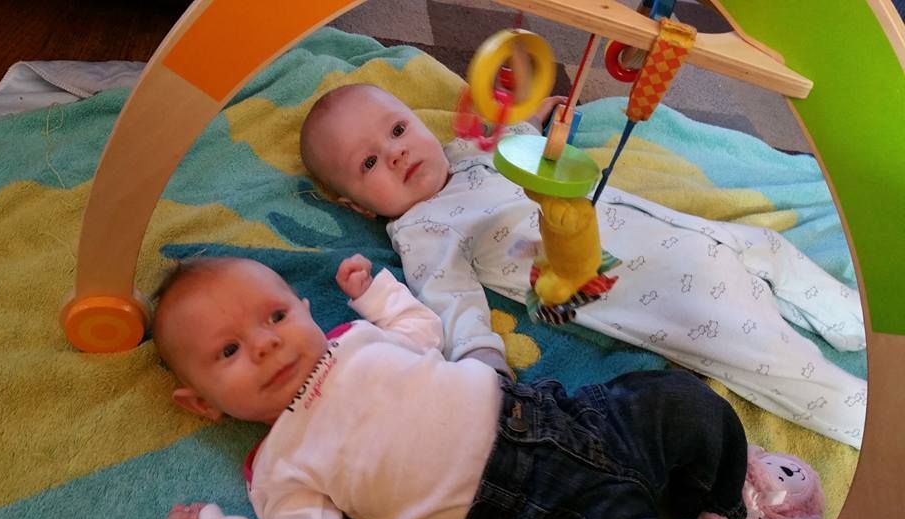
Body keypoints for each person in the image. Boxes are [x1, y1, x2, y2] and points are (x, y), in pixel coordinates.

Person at [299, 83, 868, 448]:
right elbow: (448, 298)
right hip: (641, 286)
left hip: (676, 229)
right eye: (370, 161)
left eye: (398, 130)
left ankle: (860, 324)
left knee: (768, 248)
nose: (396, 152)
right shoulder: (422, 229)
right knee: (771, 358)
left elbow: (522, 141)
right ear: (356, 204)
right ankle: (867, 417)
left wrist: (538, 116)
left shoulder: (470, 153)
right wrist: (482, 366)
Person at [154, 254, 749, 519]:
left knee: (680, 400)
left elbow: (423, 334)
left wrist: (375, 297)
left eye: (276, 315)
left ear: (307, 310)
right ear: (201, 403)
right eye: (228, 352)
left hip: (560, 418)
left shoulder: (351, 340)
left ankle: (728, 503)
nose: (264, 345)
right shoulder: (279, 463)